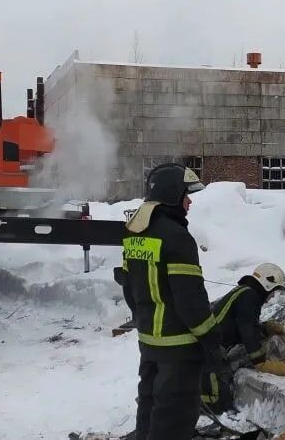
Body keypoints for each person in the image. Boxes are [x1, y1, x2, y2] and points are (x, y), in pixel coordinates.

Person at [121, 163, 221, 440]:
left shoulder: (134, 233)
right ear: (173, 195)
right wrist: (212, 341)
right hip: (179, 348)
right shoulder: (177, 238)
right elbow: (191, 302)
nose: (189, 202)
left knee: (150, 409)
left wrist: (146, 322)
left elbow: (129, 290)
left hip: (150, 343)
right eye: (186, 195)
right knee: (174, 420)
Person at [201, 263, 285, 414]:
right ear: (267, 284)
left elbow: (242, 326)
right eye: (274, 291)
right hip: (208, 351)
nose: (272, 297)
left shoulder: (245, 292)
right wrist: (261, 363)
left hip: (209, 348)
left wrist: (266, 329)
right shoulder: (249, 296)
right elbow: (246, 331)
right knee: (219, 404)